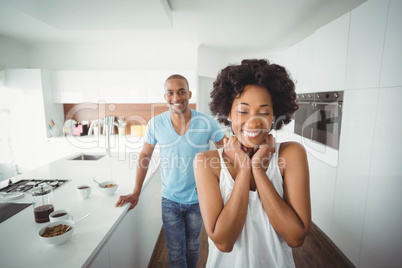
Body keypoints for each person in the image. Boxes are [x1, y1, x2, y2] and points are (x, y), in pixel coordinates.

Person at [193, 59, 311, 267]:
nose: (254, 122)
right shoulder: (206, 162)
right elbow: (224, 242)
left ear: (275, 115)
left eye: (264, 112)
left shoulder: (291, 154)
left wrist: (257, 168)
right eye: (243, 111)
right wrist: (245, 167)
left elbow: (295, 237)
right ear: (228, 113)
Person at [115, 74, 225, 268]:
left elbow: (227, 151)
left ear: (189, 93)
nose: (176, 97)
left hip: (198, 200)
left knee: (192, 248)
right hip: (170, 201)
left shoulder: (207, 122)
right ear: (165, 96)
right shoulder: (156, 124)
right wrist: (136, 191)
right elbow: (144, 156)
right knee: (175, 253)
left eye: (181, 91)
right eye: (171, 93)